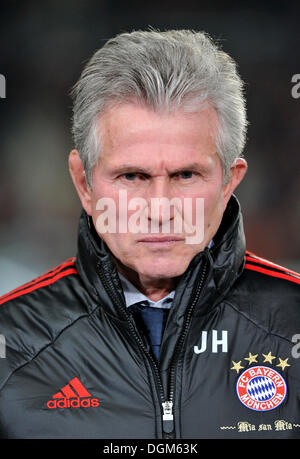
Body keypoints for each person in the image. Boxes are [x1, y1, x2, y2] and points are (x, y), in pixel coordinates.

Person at [0, 29, 299, 440]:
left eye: (186, 175)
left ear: (230, 181)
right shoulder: (9, 342)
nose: (159, 209)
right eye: (132, 176)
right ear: (83, 183)